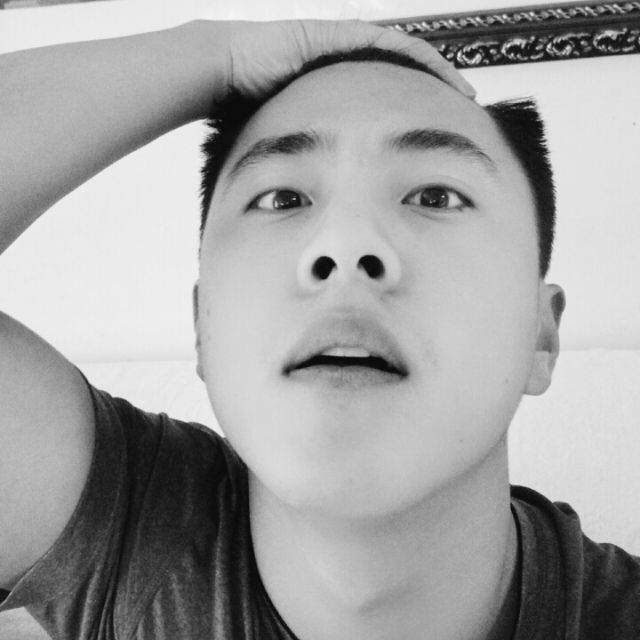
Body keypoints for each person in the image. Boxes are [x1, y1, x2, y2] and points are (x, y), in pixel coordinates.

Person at [0, 17, 638, 640]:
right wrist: (216, 57)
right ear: (201, 327)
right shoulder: (130, 531)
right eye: (283, 199)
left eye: (435, 197)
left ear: (540, 335)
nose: (346, 243)